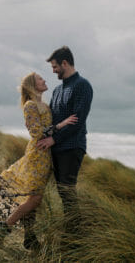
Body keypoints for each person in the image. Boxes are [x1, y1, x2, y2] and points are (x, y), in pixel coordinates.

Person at [0, 72, 77, 249]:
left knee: (32, 199)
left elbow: (45, 128)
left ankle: (29, 238)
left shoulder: (45, 106)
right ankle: (4, 227)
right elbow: (36, 133)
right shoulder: (30, 106)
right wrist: (61, 125)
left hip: (46, 157)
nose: (44, 80)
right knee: (35, 199)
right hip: (37, 156)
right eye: (40, 79)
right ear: (32, 85)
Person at [36, 46, 93, 233]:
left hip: (72, 146)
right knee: (62, 192)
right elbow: (52, 120)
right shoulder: (58, 90)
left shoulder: (82, 85)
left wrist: (53, 139)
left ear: (65, 63)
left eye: (55, 67)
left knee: (67, 191)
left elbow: (77, 121)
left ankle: (74, 237)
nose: (53, 71)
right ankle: (72, 231)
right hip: (58, 147)